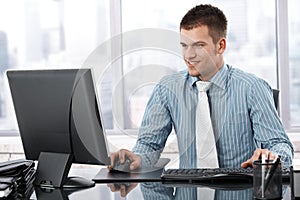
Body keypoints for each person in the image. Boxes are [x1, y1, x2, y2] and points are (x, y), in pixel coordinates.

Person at [109, 4, 294, 198]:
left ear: (220, 45)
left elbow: (279, 144)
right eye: (184, 45)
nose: (188, 55)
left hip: (240, 193)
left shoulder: (252, 88)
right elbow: (149, 145)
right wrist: (135, 158)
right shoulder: (167, 89)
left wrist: (273, 157)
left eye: (198, 45)